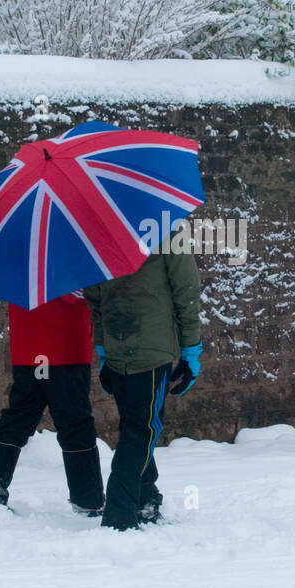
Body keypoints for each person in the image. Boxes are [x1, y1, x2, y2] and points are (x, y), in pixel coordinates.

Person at [84, 224, 203, 530]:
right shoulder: (166, 227)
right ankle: (119, 514)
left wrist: (103, 348)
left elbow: (95, 298)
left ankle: (146, 498)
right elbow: (186, 290)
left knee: (135, 427)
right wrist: (191, 349)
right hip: (151, 349)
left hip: (118, 344)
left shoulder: (97, 231)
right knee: (142, 430)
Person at [0, 291, 105, 515]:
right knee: (76, 424)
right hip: (65, 349)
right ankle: (88, 500)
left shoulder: (21, 258)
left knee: (18, 419)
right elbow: (82, 295)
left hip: (29, 351)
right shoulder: (71, 259)